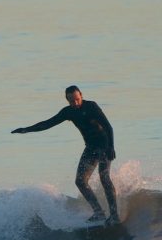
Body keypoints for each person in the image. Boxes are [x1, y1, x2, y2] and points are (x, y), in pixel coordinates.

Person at [11, 86, 120, 225]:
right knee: (80, 181)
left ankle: (114, 215)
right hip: (90, 147)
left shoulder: (91, 106)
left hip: (104, 145)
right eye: (71, 101)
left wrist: (111, 146)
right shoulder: (68, 112)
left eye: (77, 99)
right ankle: (99, 212)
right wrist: (26, 130)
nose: (75, 103)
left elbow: (108, 126)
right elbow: (47, 123)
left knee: (104, 177)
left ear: (81, 95)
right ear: (67, 100)